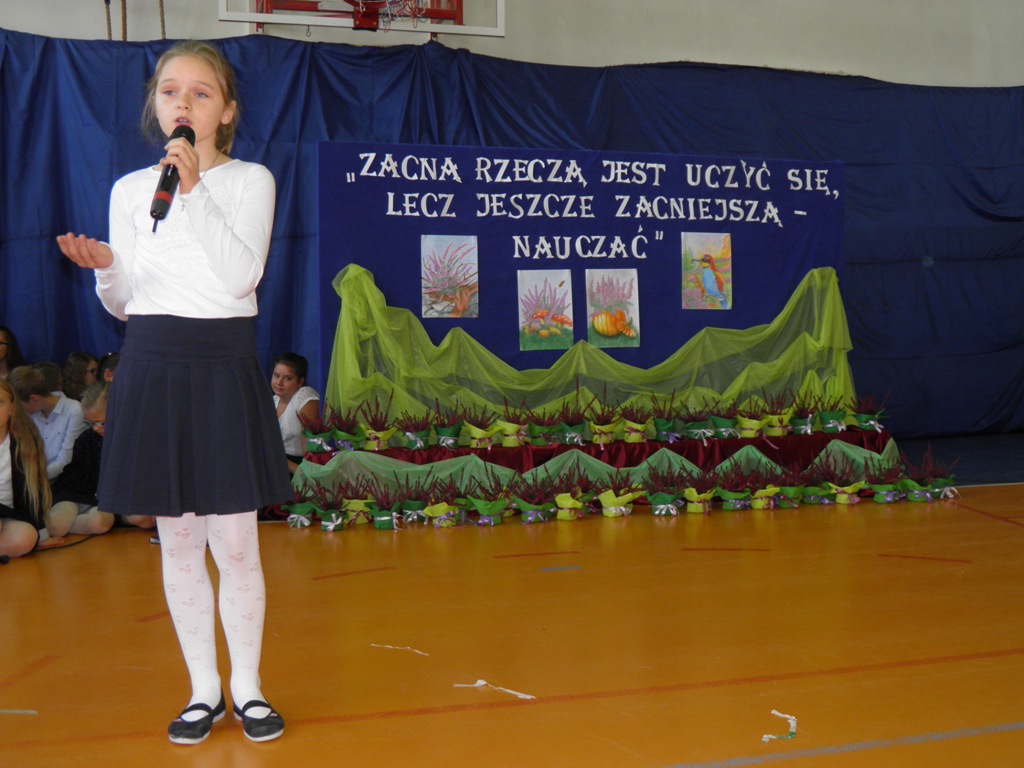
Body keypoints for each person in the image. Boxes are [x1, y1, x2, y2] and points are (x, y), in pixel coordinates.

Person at [56, 40, 291, 746]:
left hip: (221, 365)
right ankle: (203, 691)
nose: (181, 103)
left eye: (199, 92)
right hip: (152, 364)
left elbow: (240, 278)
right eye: (168, 91)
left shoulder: (250, 181)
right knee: (179, 540)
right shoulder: (131, 190)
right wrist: (106, 268)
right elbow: (125, 303)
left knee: (236, 542)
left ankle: (248, 687)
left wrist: (193, 191)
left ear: (227, 112)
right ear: (155, 104)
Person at [49, 382, 155, 537]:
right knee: (58, 525)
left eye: (102, 422)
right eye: (91, 423)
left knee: (104, 521)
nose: (96, 428)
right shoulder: (87, 439)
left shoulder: (138, 438)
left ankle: (113, 519)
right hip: (77, 493)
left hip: (113, 502)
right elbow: (73, 478)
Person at [8, 365, 87, 481]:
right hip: (34, 477)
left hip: (63, 479)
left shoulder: (75, 411)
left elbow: (65, 461)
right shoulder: (30, 413)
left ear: (34, 399)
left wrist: (30, 478)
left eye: (19, 404)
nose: (17, 408)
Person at [0, 379, 51, 558]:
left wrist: (42, 534)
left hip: (9, 515)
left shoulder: (24, 443)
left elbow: (34, 490)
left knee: (27, 536)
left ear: (12, 408)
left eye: (0, 402)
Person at [271, 352, 319, 475]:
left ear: (300, 382)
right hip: (276, 462)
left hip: (299, 466)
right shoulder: (272, 401)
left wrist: (305, 475)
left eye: (287, 378)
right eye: (276, 376)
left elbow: (308, 445)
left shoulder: (304, 396)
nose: (279, 382)